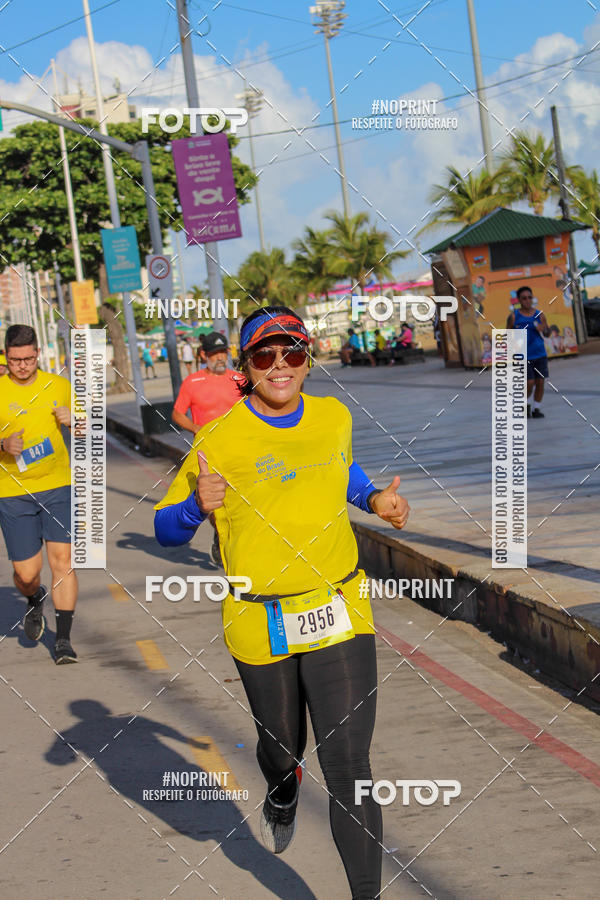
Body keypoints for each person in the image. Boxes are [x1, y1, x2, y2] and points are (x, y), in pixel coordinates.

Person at [154, 306, 410, 900]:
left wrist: (374, 499)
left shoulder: (333, 416)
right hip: (258, 615)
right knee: (281, 748)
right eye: (265, 355)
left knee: (349, 766)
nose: (280, 366)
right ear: (246, 366)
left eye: (292, 353)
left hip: (338, 603)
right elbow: (167, 529)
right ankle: (282, 788)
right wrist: (197, 506)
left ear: (307, 358)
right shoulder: (218, 437)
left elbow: (338, 469)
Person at [0, 325, 78, 663]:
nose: (22, 366)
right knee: (27, 574)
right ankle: (34, 599)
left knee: (62, 561)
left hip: (57, 485)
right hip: (12, 492)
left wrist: (74, 418)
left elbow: (90, 425)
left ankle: (63, 640)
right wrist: (2, 444)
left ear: (37, 354)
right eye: (15, 360)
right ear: (5, 356)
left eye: (29, 359)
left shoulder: (58, 386)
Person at [171, 331, 246, 566]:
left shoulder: (239, 379)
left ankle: (237, 543)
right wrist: (195, 428)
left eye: (223, 352)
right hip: (208, 453)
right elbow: (176, 414)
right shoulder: (192, 383)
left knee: (239, 501)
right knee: (215, 504)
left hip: (239, 450)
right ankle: (218, 530)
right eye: (214, 353)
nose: (220, 357)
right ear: (204, 354)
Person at [507, 285, 550, 418]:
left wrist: (543, 329)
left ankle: (537, 409)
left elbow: (548, 333)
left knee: (540, 382)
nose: (527, 300)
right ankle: (525, 406)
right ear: (519, 300)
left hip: (540, 354)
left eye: (529, 297)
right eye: (524, 298)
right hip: (523, 355)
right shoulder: (514, 316)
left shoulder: (539, 315)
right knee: (529, 382)